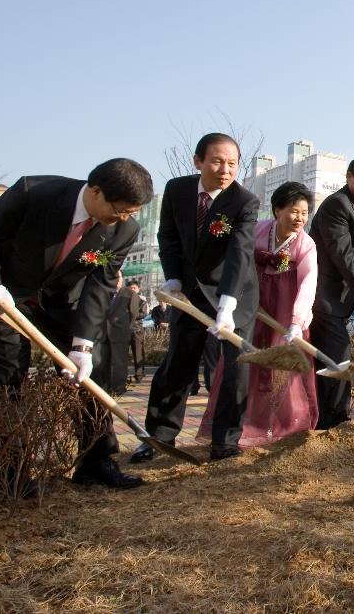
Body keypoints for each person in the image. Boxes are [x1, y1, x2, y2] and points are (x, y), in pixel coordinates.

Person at [0, 159, 153, 491]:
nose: (122, 219)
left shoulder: (122, 230)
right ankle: (6, 475)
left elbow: (101, 284)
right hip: (7, 297)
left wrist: (83, 345)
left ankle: (95, 462)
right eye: (119, 210)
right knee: (7, 383)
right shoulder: (34, 193)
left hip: (64, 304)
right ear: (95, 192)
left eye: (130, 212)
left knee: (92, 377)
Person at [132, 133, 259, 463]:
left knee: (235, 368)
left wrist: (227, 304)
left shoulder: (244, 201)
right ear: (198, 161)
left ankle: (226, 442)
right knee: (178, 362)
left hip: (235, 295)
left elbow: (239, 254)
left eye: (232, 164)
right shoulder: (177, 190)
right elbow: (169, 237)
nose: (225, 170)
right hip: (189, 294)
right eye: (217, 161)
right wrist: (173, 276)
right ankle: (158, 436)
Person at [199, 181, 318, 446]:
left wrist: (296, 322)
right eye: (294, 211)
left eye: (304, 212)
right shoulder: (257, 230)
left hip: (284, 313)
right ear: (277, 210)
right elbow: (238, 263)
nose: (300, 218)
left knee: (282, 370)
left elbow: (308, 284)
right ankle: (241, 427)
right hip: (252, 305)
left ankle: (284, 429)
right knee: (244, 363)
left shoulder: (306, 245)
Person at [309, 156, 354, 429]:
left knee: (332, 359)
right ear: (349, 176)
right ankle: (334, 421)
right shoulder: (337, 205)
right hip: (324, 297)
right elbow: (340, 254)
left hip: (340, 300)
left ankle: (327, 419)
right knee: (337, 358)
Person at [96, 273, 140, 396]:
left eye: (118, 277)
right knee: (103, 361)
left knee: (119, 362)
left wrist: (122, 325)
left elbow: (133, 314)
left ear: (122, 279)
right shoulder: (104, 291)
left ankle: (119, 388)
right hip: (103, 333)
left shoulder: (129, 293)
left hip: (120, 332)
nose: (116, 280)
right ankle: (106, 386)